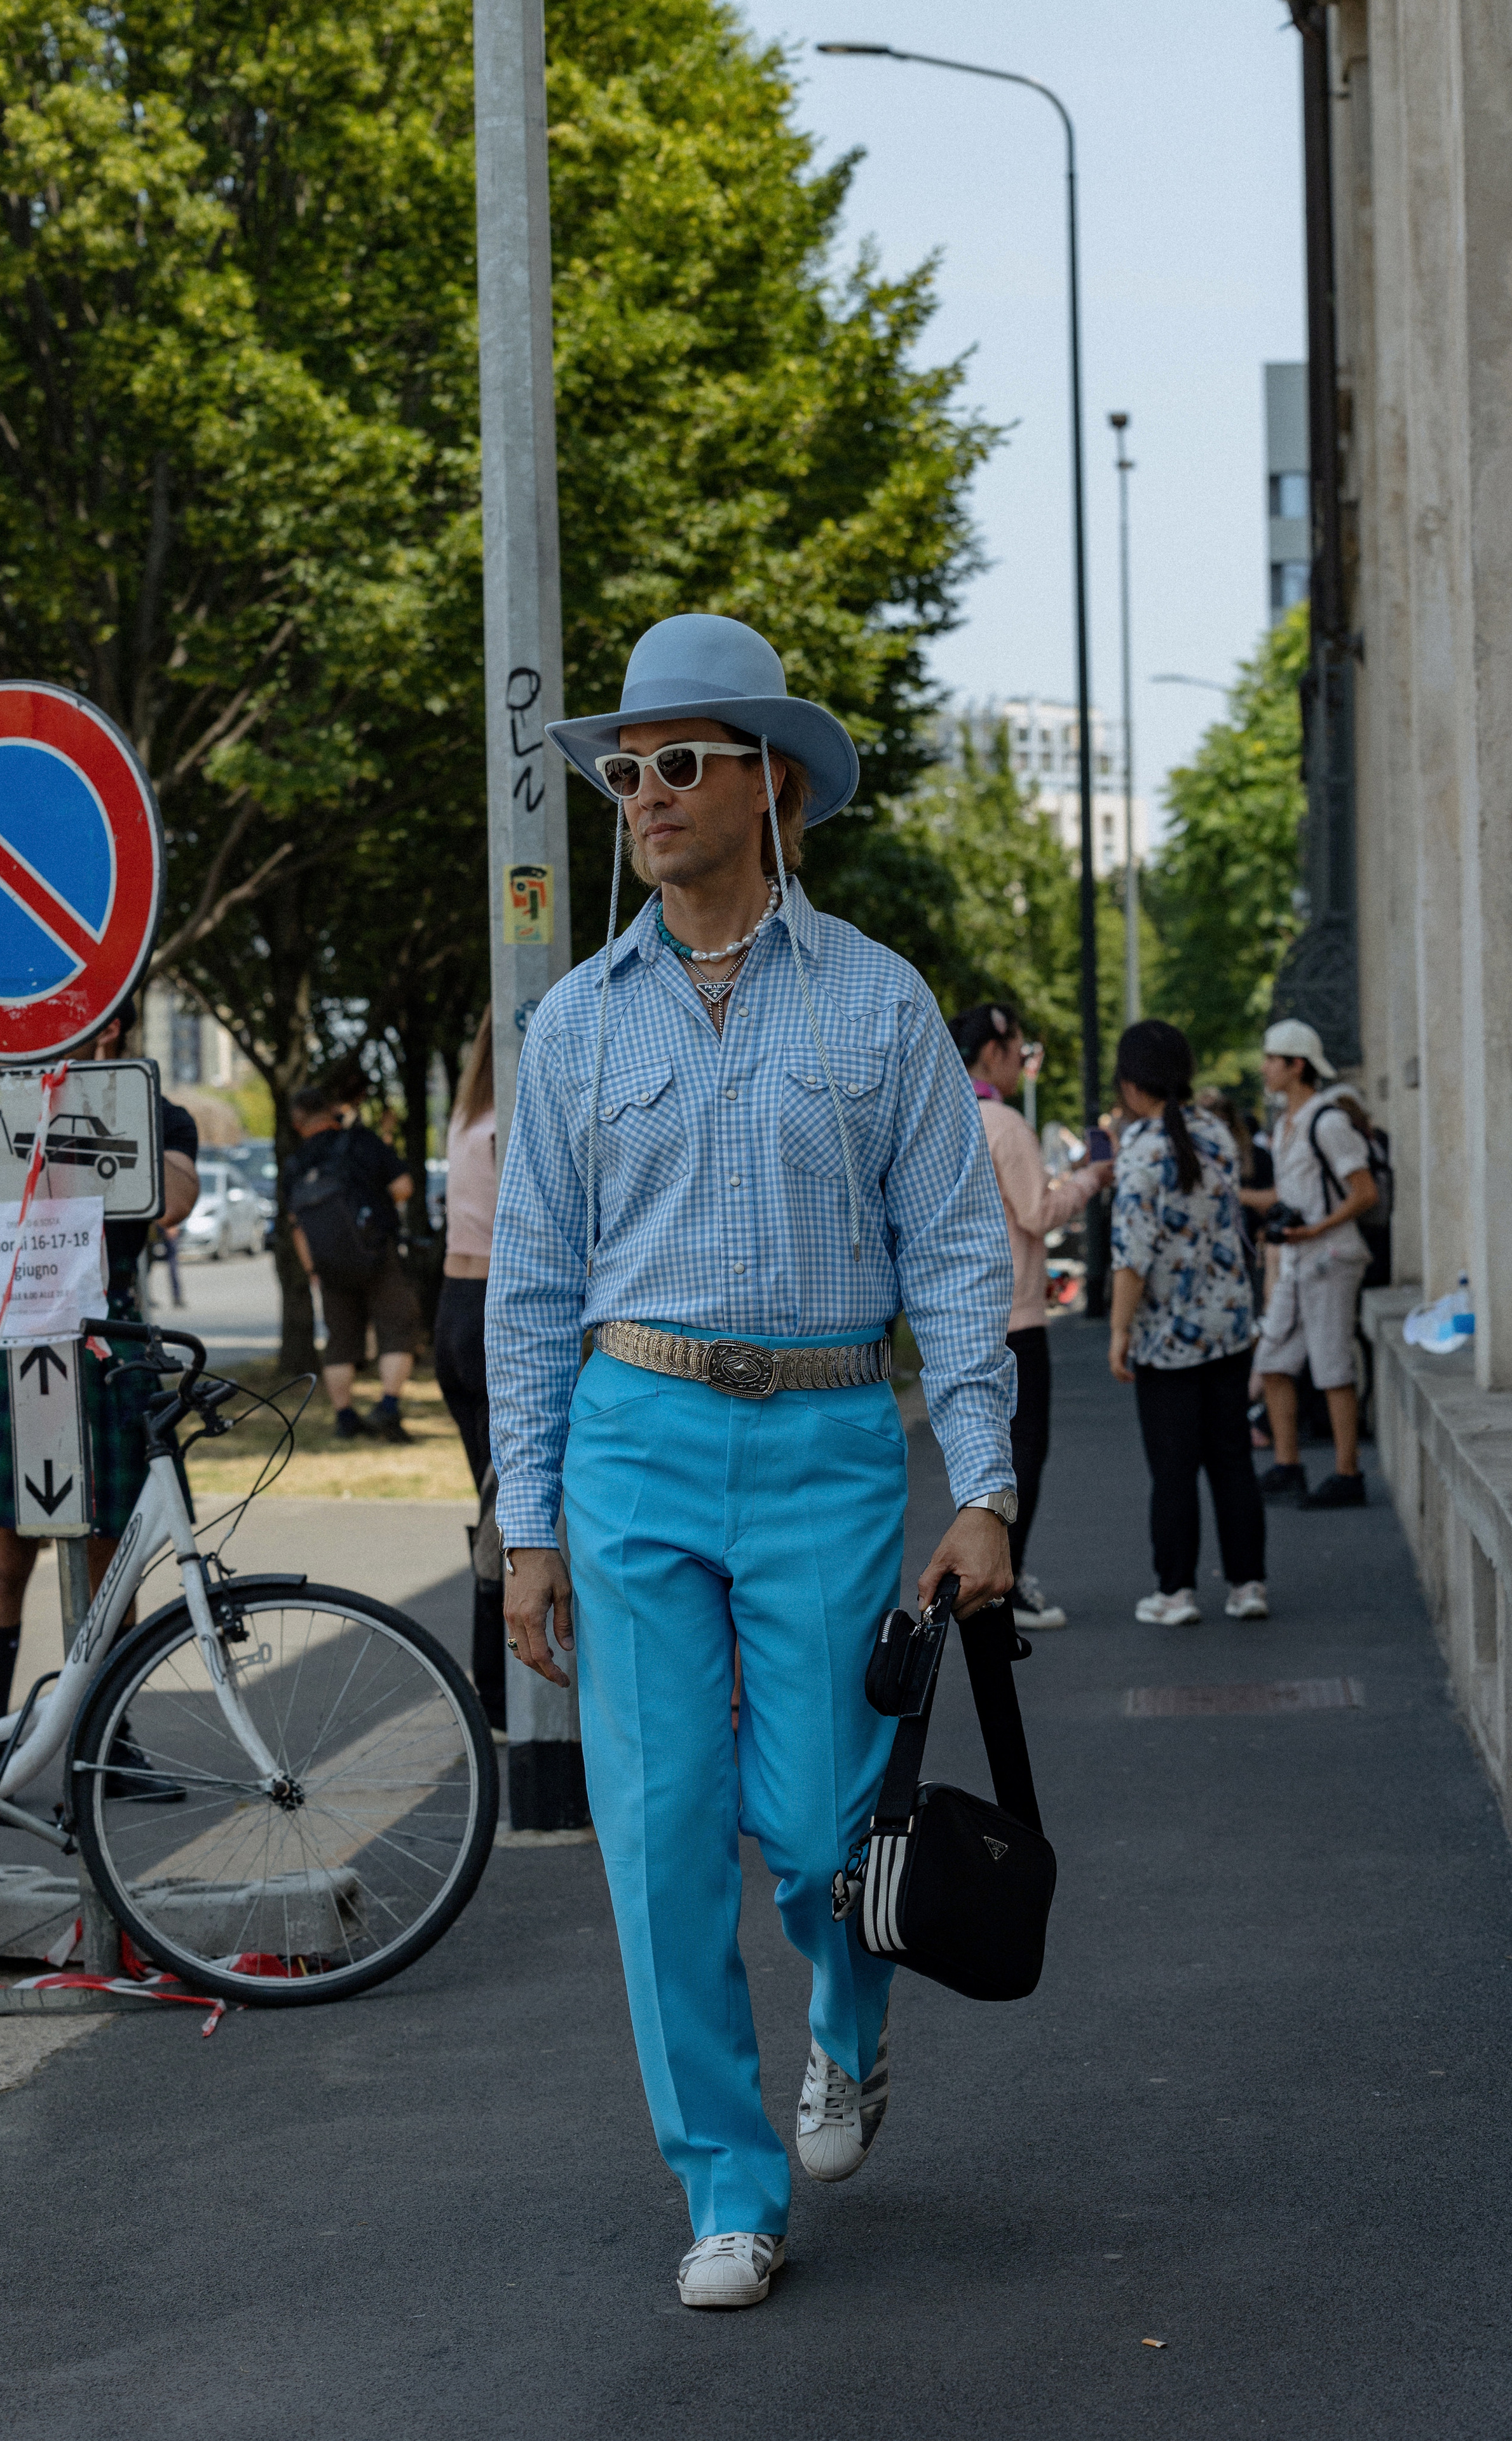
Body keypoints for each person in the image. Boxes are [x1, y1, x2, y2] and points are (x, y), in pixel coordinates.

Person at [488, 613, 1017, 2312]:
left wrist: (987, 1489)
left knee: (814, 1829)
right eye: (626, 768)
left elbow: (951, 1250)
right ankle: (728, 2184)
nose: (642, 792)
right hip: (634, 1442)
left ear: (772, 783)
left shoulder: (876, 1000)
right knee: (655, 1842)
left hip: (828, 1445)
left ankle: (847, 2033)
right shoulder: (574, 1024)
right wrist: (526, 1522)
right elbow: (536, 1288)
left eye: (679, 762)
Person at [0, 998, 200, 1788]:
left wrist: (95, 1114)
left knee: (108, 1560)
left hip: (105, 1337)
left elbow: (176, 1202)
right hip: (19, 1329)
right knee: (8, 1554)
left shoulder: (155, 1108)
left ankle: (102, 1746)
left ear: (111, 1027)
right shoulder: (5, 1094)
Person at [950, 1002, 1112, 1631]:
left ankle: (984, 1577)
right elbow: (1037, 1214)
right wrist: (1090, 1180)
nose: (1022, 1063)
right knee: (1021, 1453)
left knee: (977, 1452)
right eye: (1019, 1051)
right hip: (1015, 1315)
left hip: (957, 1313)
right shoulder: (1004, 1123)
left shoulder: (942, 1112)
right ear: (993, 1051)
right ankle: (1000, 1584)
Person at [1108, 1019, 1267, 1625]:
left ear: (1130, 1084)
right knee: (1231, 1459)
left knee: (1172, 1468)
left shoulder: (1140, 1153)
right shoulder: (1218, 1136)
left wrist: (1121, 1333)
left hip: (1166, 1339)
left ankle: (1175, 1592)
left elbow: (1132, 1256)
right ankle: (1248, 1585)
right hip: (1228, 1326)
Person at [1239, 1020, 1379, 1509]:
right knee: (1273, 1361)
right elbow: (1289, 1193)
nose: (1265, 1067)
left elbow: (1365, 1192)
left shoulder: (1329, 1122)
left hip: (1332, 1256)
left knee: (1332, 1365)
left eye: (1272, 1059)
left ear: (1296, 1066)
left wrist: (1315, 1229)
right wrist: (1237, 1196)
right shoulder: (1286, 1125)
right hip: (1300, 1258)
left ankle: (1348, 1473)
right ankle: (1288, 1464)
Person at [434, 1006, 503, 1731]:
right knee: (507, 1510)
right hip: (490, 1305)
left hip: (452, 1306)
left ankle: (495, 1689)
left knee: (490, 1499)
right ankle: (497, 1694)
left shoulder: (464, 1115)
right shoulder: (503, 1124)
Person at [283, 1086, 417, 1444]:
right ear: (332, 1112)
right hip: (377, 1253)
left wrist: (313, 1270)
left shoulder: (295, 1164)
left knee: (339, 1342)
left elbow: (296, 1226)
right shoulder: (361, 1143)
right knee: (397, 1331)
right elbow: (403, 1186)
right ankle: (388, 1407)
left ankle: (345, 1418)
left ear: (298, 1123)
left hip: (329, 1266)